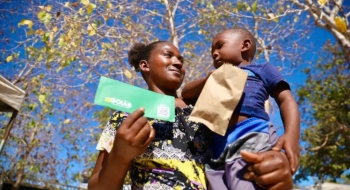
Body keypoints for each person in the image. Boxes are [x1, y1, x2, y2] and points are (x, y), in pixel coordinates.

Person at [88, 41, 295, 190]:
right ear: (145, 65)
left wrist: (275, 175)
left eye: (181, 59)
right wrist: (120, 157)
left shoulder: (206, 109)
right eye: (168, 55)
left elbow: (239, 151)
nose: (178, 63)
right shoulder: (126, 115)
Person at [181, 28, 300, 189]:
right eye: (212, 51)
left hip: (251, 136)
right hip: (215, 146)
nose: (214, 53)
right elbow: (186, 93)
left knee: (247, 182)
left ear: (245, 45)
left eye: (219, 46)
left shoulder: (261, 69)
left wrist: (291, 136)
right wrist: (207, 80)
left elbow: (286, 100)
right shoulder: (214, 78)